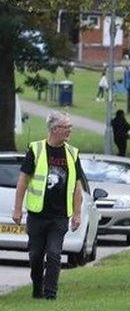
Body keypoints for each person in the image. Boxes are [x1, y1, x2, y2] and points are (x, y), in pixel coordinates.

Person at [12, 112, 85, 300]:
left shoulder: (72, 153)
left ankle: (51, 294)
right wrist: (17, 208)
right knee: (35, 256)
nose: (70, 130)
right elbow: (23, 181)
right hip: (37, 215)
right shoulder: (36, 150)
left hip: (59, 216)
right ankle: (37, 287)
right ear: (54, 129)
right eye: (66, 127)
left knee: (54, 254)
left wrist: (77, 213)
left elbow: (77, 186)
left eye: (70, 127)